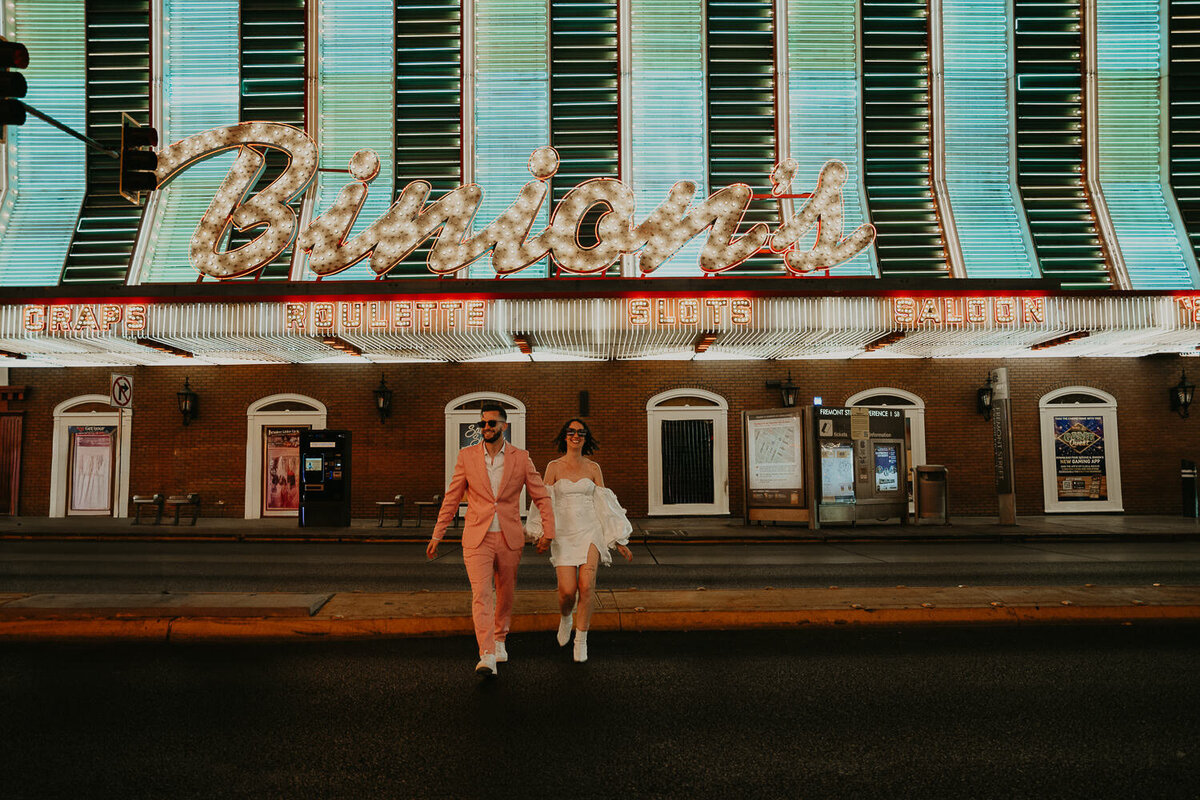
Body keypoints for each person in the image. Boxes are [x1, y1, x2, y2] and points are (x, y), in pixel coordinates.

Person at [426, 404, 556, 678]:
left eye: (492, 423)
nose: (486, 427)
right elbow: (452, 497)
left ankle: (499, 639)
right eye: (483, 423)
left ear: (504, 426)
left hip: (509, 537)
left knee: (505, 594)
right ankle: (486, 654)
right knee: (482, 595)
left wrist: (549, 531)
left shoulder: (521, 458)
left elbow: (541, 496)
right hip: (477, 537)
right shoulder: (467, 456)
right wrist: (438, 532)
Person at [526, 418, 632, 663]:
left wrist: (618, 539)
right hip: (563, 532)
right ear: (565, 436)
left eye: (581, 432)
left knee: (587, 585)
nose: (576, 435)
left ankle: (581, 639)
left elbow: (605, 505)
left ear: (586, 438)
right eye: (571, 432)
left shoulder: (594, 468)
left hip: (589, 530)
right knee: (567, 592)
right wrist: (540, 532)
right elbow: (544, 502)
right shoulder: (553, 466)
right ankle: (566, 618)